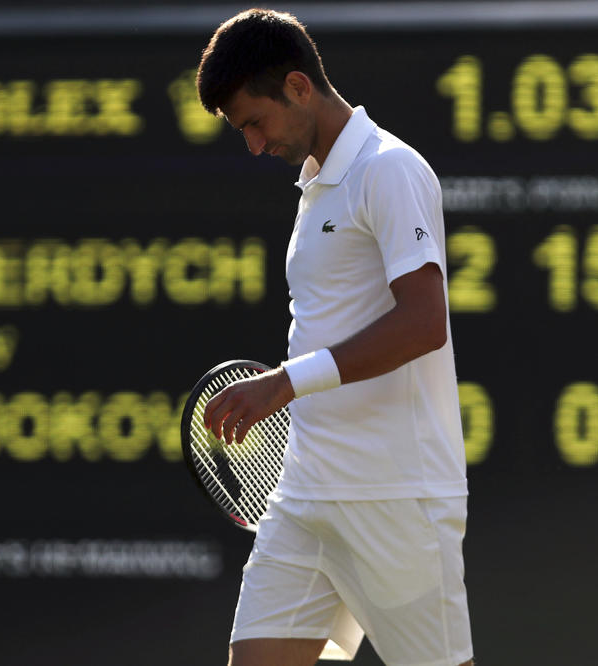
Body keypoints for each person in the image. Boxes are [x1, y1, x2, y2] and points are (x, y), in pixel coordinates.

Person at [196, 9, 474, 666]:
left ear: (297, 86)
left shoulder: (389, 170)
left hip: (395, 497)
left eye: (254, 124)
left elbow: (424, 322)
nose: (255, 146)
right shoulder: (316, 189)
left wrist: (286, 381)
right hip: (306, 495)